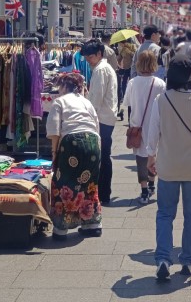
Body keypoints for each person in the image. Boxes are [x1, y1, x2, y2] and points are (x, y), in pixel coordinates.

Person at [146, 54, 191, 280]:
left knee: (165, 214)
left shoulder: (162, 100)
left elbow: (153, 132)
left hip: (168, 165)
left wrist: (151, 157)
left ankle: (163, 259)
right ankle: (188, 260)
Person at [45, 72, 103, 239]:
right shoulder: (86, 102)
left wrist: (55, 153)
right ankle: (92, 224)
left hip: (72, 143)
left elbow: (55, 131)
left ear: (64, 86)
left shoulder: (60, 102)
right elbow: (96, 126)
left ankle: (61, 228)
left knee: (64, 184)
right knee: (90, 184)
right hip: (93, 142)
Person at [122, 51, 166, 204]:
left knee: (141, 158)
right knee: (153, 154)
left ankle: (144, 190)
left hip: (137, 125)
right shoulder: (160, 83)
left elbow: (127, 102)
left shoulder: (133, 82)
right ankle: (153, 183)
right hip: (156, 124)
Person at [83, 39, 118, 205]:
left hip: (102, 119)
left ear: (98, 54)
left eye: (90, 56)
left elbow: (95, 99)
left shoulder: (100, 70)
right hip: (106, 117)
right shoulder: (102, 68)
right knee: (104, 156)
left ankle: (104, 193)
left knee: (102, 157)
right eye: (86, 57)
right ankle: (104, 193)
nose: (88, 60)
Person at [117, 38, 136, 120]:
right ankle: (125, 95)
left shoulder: (133, 47)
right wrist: (117, 64)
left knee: (130, 82)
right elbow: (119, 58)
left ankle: (129, 93)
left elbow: (135, 56)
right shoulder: (123, 50)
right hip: (125, 68)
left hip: (132, 68)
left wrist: (129, 52)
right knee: (124, 83)